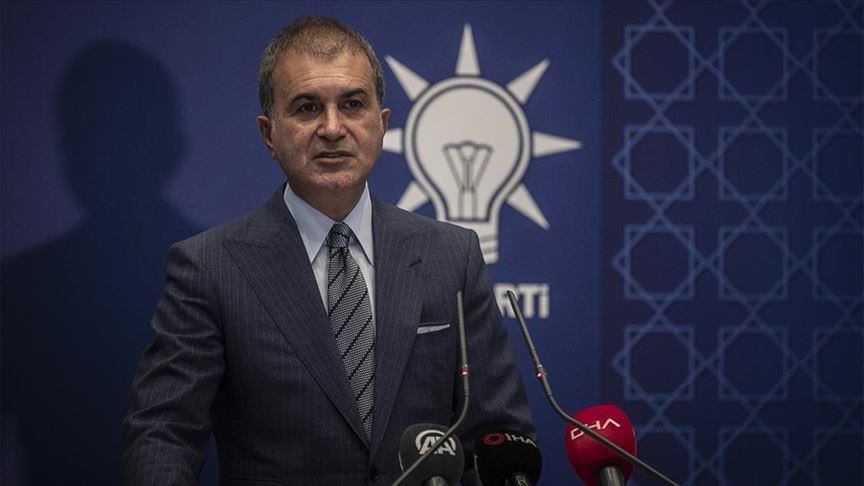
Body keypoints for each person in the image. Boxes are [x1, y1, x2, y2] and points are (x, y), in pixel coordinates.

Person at [122, 16, 534, 485]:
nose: (333, 128)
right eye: (307, 108)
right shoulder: (210, 268)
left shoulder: (452, 256)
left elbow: (497, 437)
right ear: (269, 134)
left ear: (382, 124)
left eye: (353, 104)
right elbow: (164, 434)